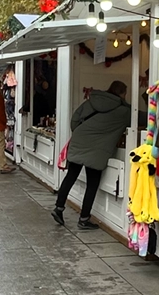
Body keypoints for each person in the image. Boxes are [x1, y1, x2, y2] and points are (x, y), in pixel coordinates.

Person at [53, 80, 131, 230]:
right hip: (97, 150)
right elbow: (140, 118)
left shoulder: (91, 101)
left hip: (79, 141)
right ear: (122, 93)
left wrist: (81, 134)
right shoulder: (124, 111)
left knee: (71, 176)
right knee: (92, 184)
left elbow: (75, 120)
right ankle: (83, 219)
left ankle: (58, 208)